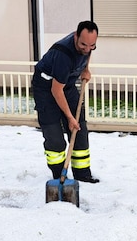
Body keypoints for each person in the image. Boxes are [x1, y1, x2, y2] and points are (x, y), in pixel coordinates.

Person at [32, 21, 100, 183]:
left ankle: (82, 175)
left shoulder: (87, 45)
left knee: (79, 129)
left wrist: (85, 69)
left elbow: (87, 54)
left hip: (66, 86)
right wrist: (69, 117)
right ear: (76, 36)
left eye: (92, 45)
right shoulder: (63, 55)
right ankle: (59, 177)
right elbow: (56, 90)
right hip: (46, 89)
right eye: (83, 44)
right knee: (54, 136)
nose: (87, 48)